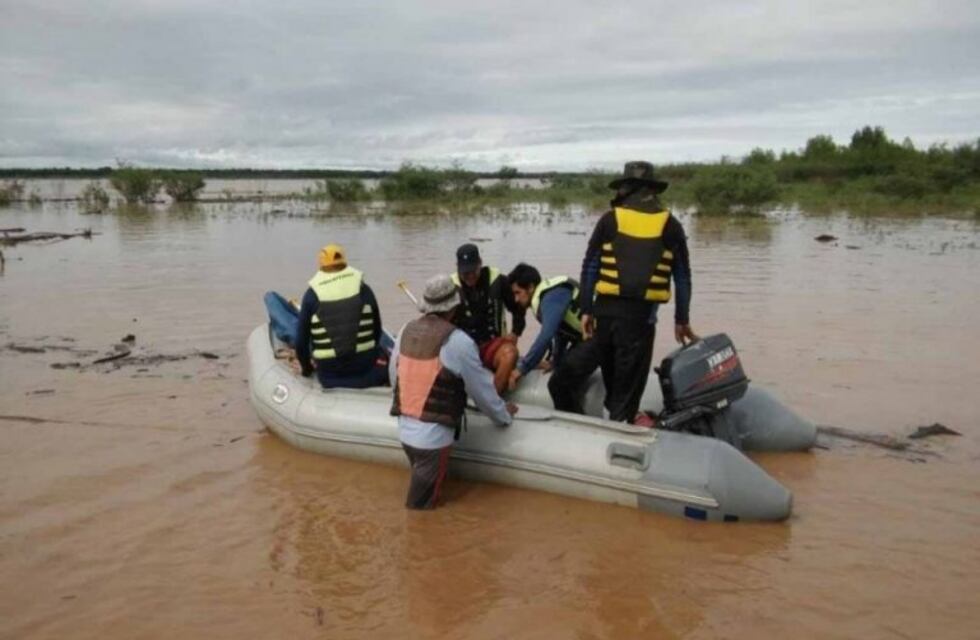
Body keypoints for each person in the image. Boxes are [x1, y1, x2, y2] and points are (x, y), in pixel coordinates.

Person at [550, 161, 698, 422]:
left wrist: (586, 310)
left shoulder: (609, 220)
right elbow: (682, 277)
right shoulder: (671, 225)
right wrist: (682, 319)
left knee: (604, 386)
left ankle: (596, 428)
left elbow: (590, 267)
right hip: (638, 324)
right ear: (651, 190)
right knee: (624, 399)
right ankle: (619, 428)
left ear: (628, 189)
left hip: (603, 319)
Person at [390, 274, 517, 510]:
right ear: (453, 307)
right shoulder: (458, 341)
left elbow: (394, 376)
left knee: (425, 499)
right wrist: (503, 416)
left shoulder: (405, 330)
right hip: (432, 441)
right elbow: (482, 391)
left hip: (405, 432)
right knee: (420, 511)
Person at [293, 243, 389, 389]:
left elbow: (301, 343)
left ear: (321, 265)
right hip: (367, 370)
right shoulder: (364, 289)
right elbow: (377, 330)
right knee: (383, 350)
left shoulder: (311, 295)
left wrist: (307, 370)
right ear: (344, 262)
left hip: (329, 376)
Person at [451, 243, 526, 394]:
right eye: (465, 272)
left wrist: (515, 333)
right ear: (458, 268)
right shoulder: (450, 286)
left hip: (493, 345)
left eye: (473, 271)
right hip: (462, 348)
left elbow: (518, 309)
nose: (470, 276)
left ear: (480, 263)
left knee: (510, 354)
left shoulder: (499, 281)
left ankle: (493, 399)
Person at [505, 263, 584, 390]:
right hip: (589, 338)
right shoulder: (548, 295)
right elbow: (561, 332)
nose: (516, 299)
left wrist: (521, 369)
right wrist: (556, 361)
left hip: (599, 338)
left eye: (518, 293)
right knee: (562, 371)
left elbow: (546, 336)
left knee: (557, 385)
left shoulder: (550, 298)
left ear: (530, 287)